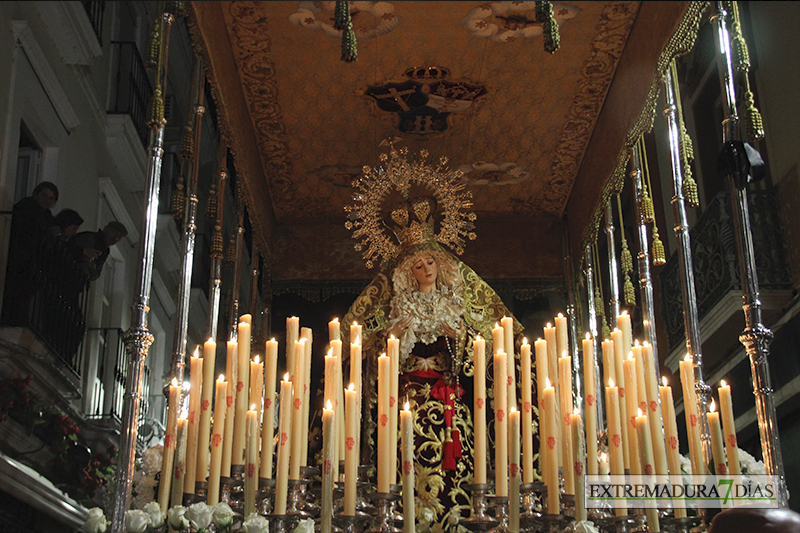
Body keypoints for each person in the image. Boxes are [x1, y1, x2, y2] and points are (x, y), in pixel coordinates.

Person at [2, 182, 59, 325]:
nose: (47, 200)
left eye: (51, 198)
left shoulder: (48, 217)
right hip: (19, 257)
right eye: (44, 195)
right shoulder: (26, 207)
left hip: (31, 262)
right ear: (36, 195)